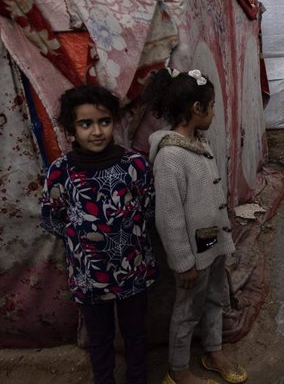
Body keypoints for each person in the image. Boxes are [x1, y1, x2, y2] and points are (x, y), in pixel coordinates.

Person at [41, 85, 158, 384]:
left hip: (133, 272)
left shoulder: (134, 165)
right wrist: (80, 237)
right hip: (89, 278)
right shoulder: (60, 172)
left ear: (114, 122)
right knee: (100, 340)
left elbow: (148, 209)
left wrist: (125, 237)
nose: (96, 131)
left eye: (104, 122)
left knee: (135, 334)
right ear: (72, 128)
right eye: (85, 123)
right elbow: (52, 217)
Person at [143, 68, 247, 384]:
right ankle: (178, 370)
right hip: (192, 254)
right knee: (188, 309)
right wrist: (183, 262)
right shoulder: (171, 156)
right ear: (197, 110)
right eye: (212, 105)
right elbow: (169, 217)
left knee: (216, 298)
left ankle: (213, 351)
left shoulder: (200, 143)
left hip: (212, 243)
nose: (213, 111)